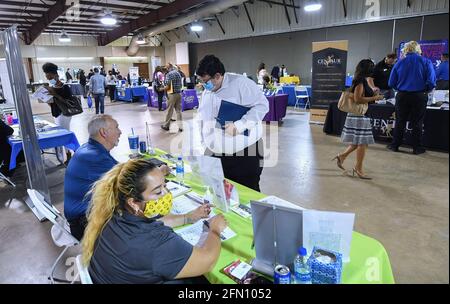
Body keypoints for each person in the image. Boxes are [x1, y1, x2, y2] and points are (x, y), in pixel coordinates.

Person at [81, 158, 225, 284]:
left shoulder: (111, 214)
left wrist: (188, 217)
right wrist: (215, 229)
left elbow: (155, 220)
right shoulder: (155, 240)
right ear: (133, 202)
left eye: (165, 185)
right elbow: (207, 261)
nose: (166, 193)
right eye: (157, 191)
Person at [196, 55, 269, 191]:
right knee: (221, 193)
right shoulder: (207, 91)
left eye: (206, 81)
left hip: (245, 154)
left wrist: (240, 126)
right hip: (216, 155)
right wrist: (204, 144)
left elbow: (262, 106)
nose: (204, 85)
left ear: (217, 75)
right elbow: (202, 117)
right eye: (201, 81)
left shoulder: (241, 84)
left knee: (246, 192)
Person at [333, 59, 384, 180]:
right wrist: (374, 97)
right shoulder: (360, 82)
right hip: (359, 116)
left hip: (357, 115)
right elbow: (358, 99)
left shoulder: (359, 80)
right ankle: (358, 168)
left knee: (357, 143)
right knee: (362, 143)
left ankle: (342, 157)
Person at [388, 41, 436, 155]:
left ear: (406, 50)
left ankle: (395, 145)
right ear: (418, 49)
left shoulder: (399, 63)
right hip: (419, 95)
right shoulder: (426, 62)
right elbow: (431, 81)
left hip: (402, 95)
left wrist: (400, 88)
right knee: (417, 122)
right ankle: (417, 148)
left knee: (400, 121)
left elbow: (391, 82)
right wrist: (425, 90)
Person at [42, 62, 74, 162]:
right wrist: (45, 98)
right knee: (61, 133)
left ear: (56, 75)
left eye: (49, 76)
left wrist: (54, 94)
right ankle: (65, 154)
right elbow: (53, 104)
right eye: (46, 76)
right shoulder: (51, 87)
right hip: (56, 113)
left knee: (64, 133)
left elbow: (68, 102)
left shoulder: (64, 87)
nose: (48, 78)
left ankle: (69, 153)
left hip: (64, 114)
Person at [161, 63, 183, 132]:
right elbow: (181, 84)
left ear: (168, 68)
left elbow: (167, 86)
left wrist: (161, 89)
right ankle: (180, 126)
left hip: (172, 94)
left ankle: (166, 125)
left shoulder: (169, 74)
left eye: (166, 67)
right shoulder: (178, 73)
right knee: (178, 111)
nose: (165, 68)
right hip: (179, 94)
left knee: (169, 110)